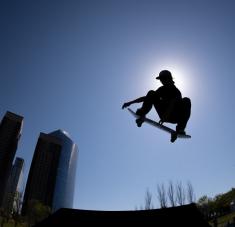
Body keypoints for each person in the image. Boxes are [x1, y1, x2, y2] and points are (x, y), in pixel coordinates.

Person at [122, 70, 191, 142]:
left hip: (174, 116)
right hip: (163, 113)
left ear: (169, 78)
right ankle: (142, 112)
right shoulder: (161, 89)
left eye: (163, 79)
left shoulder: (176, 92)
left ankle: (180, 128)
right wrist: (131, 102)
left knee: (186, 100)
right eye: (161, 80)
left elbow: (172, 104)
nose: (161, 81)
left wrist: (165, 117)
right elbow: (147, 98)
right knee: (151, 93)